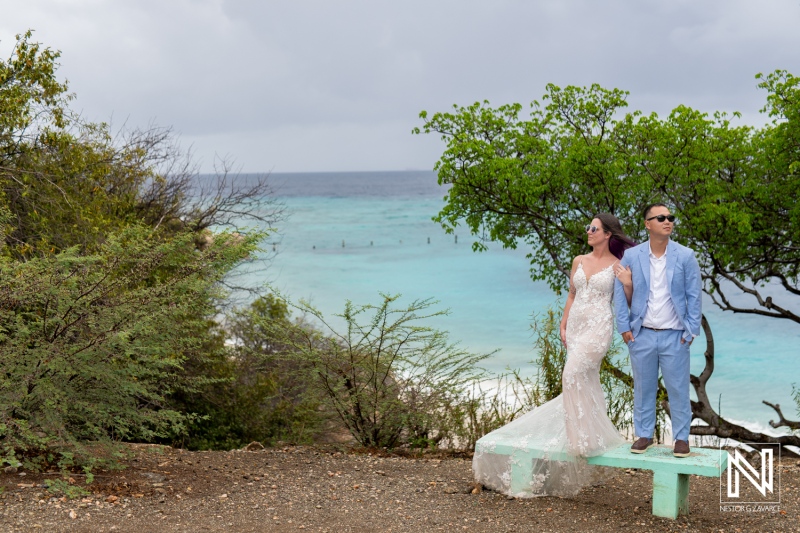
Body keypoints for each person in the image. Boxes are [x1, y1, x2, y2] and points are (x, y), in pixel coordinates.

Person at [473, 214, 635, 498]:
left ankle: (579, 439)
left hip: (598, 328)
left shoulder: (617, 265)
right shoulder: (578, 260)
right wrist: (564, 322)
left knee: (571, 374)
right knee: (583, 379)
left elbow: (626, 299)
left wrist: (629, 284)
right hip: (575, 326)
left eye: (593, 228)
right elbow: (572, 294)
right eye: (588, 227)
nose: (588, 231)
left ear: (608, 234)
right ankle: (586, 435)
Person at [613, 203, 701, 458]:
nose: (667, 221)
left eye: (670, 217)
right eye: (660, 217)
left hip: (676, 335)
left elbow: (694, 295)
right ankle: (644, 435)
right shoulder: (632, 256)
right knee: (643, 387)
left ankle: (681, 439)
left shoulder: (685, 256)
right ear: (647, 224)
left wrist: (691, 332)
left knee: (678, 389)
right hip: (642, 334)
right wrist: (624, 328)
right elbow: (620, 291)